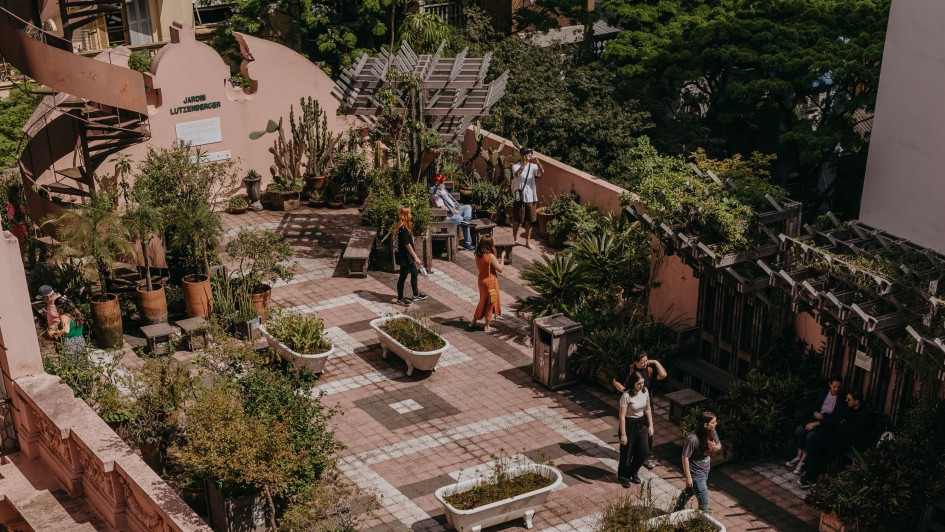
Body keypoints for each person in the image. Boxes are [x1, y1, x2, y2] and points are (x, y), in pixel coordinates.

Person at [799, 391, 877, 489]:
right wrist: (843, 425)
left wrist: (842, 425)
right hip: (840, 435)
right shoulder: (847, 407)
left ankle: (809, 478)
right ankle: (810, 478)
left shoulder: (865, 414)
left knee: (829, 454)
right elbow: (837, 422)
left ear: (856, 401)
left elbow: (853, 431)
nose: (846, 401)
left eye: (849, 399)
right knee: (817, 447)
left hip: (852, 442)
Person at [614, 351, 668, 469]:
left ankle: (646, 455)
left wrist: (655, 362)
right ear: (636, 362)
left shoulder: (649, 370)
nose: (645, 363)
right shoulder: (627, 370)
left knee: (647, 432)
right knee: (631, 431)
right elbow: (615, 381)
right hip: (632, 407)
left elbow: (663, 375)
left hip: (646, 405)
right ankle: (630, 455)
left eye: (646, 360)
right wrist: (625, 391)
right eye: (642, 362)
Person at [787, 376, 845, 475]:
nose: (836, 389)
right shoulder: (824, 393)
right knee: (799, 431)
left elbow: (835, 417)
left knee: (811, 436)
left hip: (826, 424)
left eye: (839, 387)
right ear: (830, 385)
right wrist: (815, 414)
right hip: (815, 418)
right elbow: (815, 406)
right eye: (834, 386)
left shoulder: (841, 399)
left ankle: (802, 462)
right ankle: (798, 456)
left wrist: (817, 423)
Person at [674, 411, 722, 514]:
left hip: (705, 471)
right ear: (705, 425)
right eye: (713, 422)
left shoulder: (712, 431)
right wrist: (688, 477)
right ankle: (704, 524)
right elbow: (685, 457)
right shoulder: (693, 439)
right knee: (704, 504)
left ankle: (676, 511)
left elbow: (719, 446)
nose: (716, 424)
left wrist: (713, 447)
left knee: (689, 491)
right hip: (696, 475)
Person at [617, 371, 654, 488]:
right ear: (633, 383)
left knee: (643, 451)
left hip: (641, 422)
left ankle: (634, 471)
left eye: (642, 383)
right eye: (639, 383)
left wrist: (651, 425)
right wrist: (623, 434)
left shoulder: (645, 391)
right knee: (627, 453)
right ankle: (624, 477)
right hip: (629, 424)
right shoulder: (626, 396)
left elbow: (647, 409)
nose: (641, 385)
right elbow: (622, 416)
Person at [430, 174, 475, 251]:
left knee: (467, 207)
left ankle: (466, 221)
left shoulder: (443, 190)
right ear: (437, 183)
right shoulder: (435, 195)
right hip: (448, 216)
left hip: (455, 210)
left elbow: (451, 200)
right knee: (464, 223)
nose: (444, 183)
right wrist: (454, 211)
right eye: (442, 182)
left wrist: (457, 206)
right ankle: (468, 244)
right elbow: (442, 208)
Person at [393, 205, 428, 306]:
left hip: (408, 256)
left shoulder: (405, 226)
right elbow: (407, 245)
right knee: (402, 277)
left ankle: (416, 295)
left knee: (414, 273)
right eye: (410, 213)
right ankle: (400, 299)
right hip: (405, 256)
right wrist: (416, 257)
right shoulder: (403, 228)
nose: (411, 215)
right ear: (406, 215)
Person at [511, 147, 543, 249]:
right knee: (517, 220)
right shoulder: (515, 166)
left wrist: (537, 160)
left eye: (529, 154)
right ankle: (514, 238)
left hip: (531, 197)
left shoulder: (533, 166)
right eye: (526, 154)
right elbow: (517, 174)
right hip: (519, 197)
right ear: (522, 155)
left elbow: (541, 171)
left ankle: (527, 242)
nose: (528, 156)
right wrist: (524, 163)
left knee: (529, 221)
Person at [471, 235, 505, 332]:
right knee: (491, 303)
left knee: (482, 301)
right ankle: (487, 326)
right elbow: (500, 269)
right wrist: (502, 257)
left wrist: (495, 261)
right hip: (490, 283)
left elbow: (486, 265)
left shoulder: (477, 254)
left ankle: (473, 321)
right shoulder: (490, 256)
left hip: (482, 281)